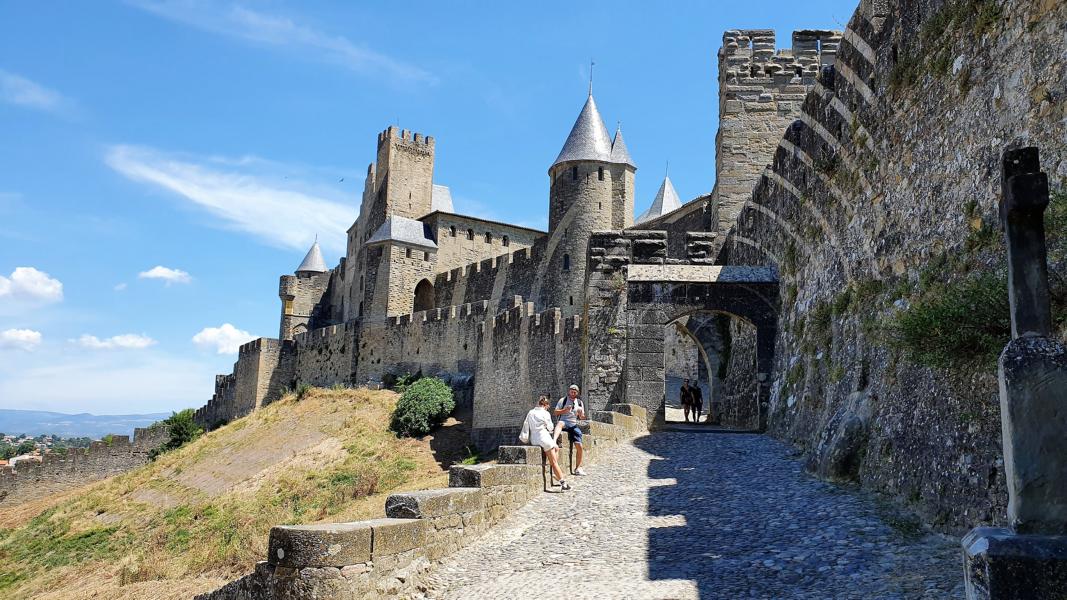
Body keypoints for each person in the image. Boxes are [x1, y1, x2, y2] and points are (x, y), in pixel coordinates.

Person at [520, 395, 570, 490]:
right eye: (548, 406)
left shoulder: (530, 412)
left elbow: (526, 425)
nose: (548, 408)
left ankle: (556, 473)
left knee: (556, 448)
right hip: (544, 438)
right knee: (554, 462)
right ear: (545, 405)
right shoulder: (545, 413)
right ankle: (563, 482)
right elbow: (550, 427)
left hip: (534, 439)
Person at [554, 384, 586, 476]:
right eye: (571, 391)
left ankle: (578, 468)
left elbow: (582, 418)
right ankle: (554, 440)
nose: (573, 393)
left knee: (579, 446)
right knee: (560, 423)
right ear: (569, 391)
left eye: (574, 392)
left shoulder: (579, 402)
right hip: (564, 422)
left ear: (577, 393)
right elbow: (556, 412)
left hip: (573, 425)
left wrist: (581, 414)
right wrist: (564, 410)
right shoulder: (563, 400)